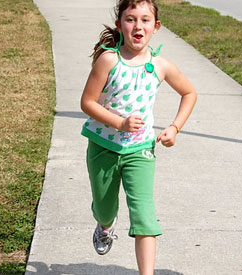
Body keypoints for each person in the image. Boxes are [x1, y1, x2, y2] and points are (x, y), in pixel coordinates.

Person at [80, 0, 197, 274]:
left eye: (145, 20)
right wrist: (120, 122)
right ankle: (105, 225)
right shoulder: (108, 60)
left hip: (140, 151)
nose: (138, 25)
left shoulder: (161, 65)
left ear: (156, 27)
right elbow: (88, 102)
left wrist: (175, 128)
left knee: (144, 215)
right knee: (105, 208)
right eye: (131, 19)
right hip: (103, 147)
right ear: (121, 24)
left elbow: (189, 93)